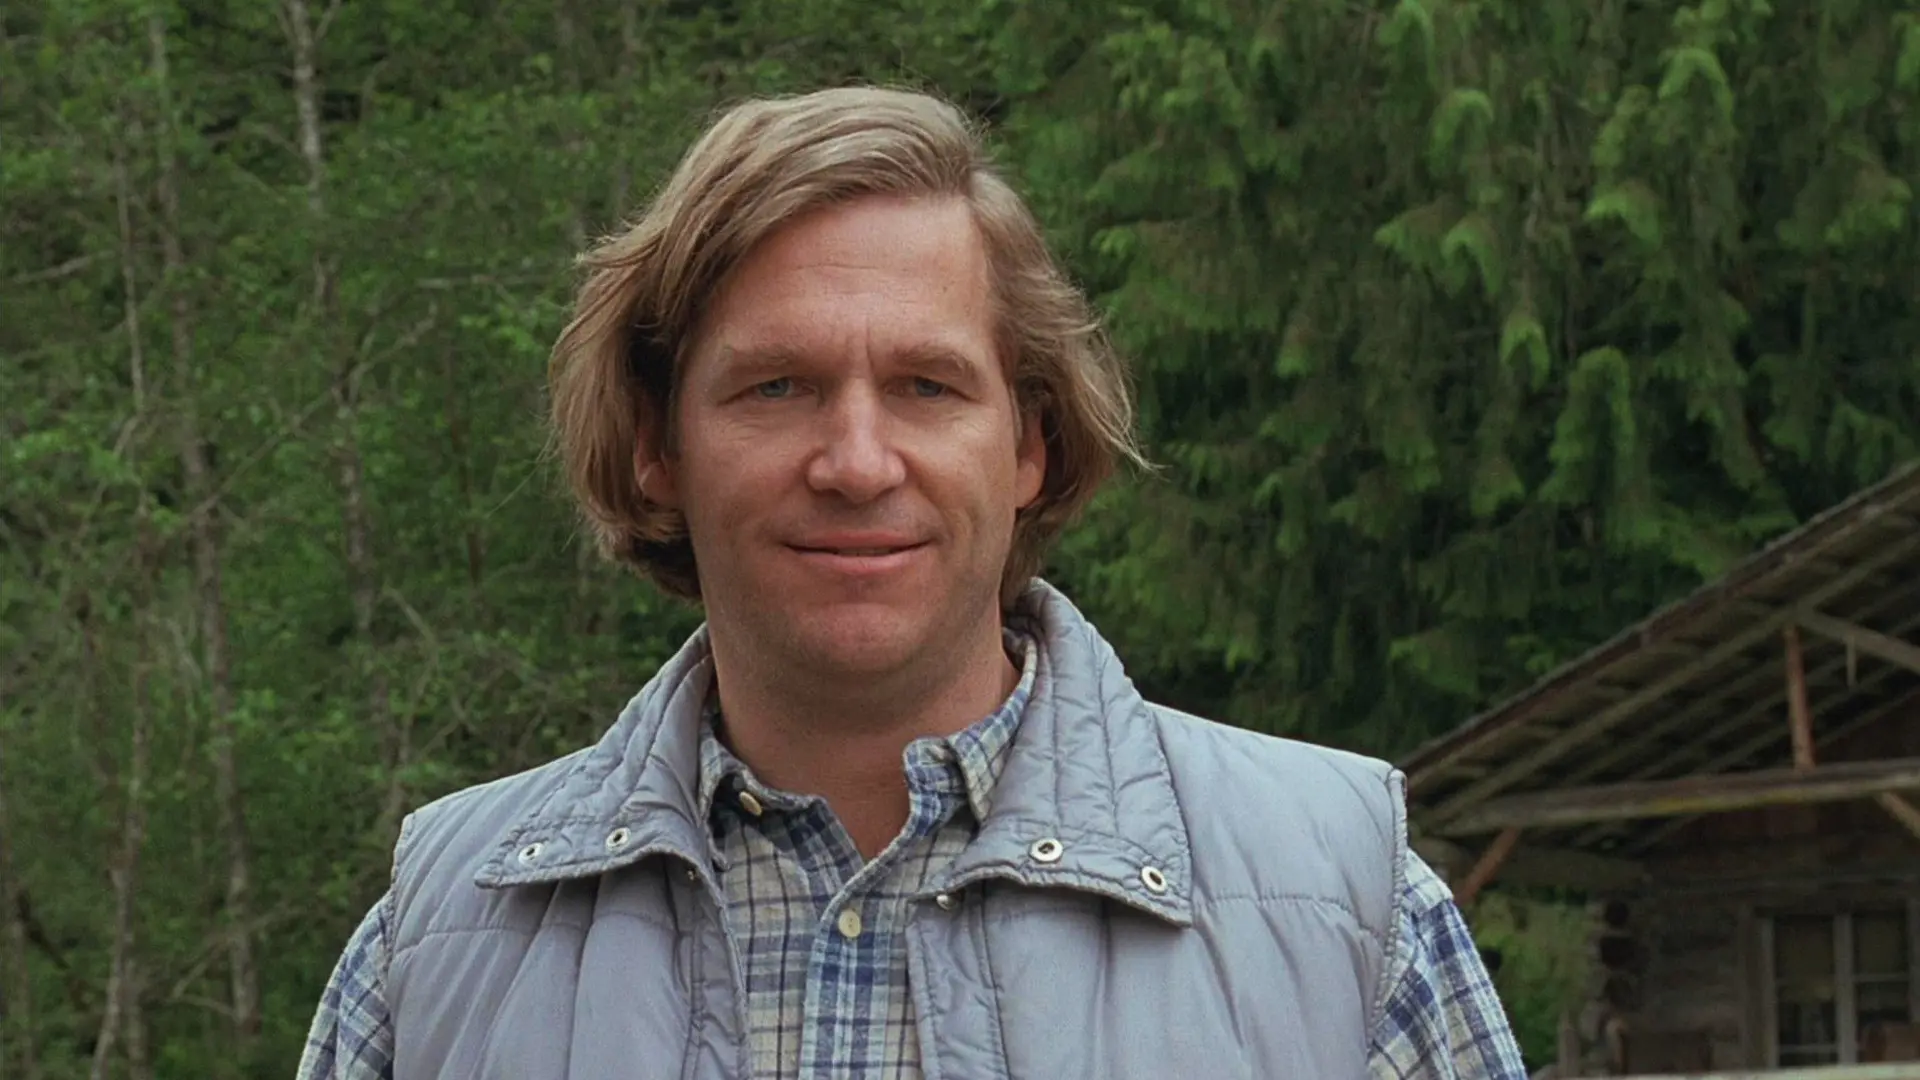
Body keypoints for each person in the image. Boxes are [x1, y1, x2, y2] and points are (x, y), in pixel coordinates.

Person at [298, 85, 1527, 1080]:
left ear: (1030, 443)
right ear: (657, 445)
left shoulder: (1342, 911)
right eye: (776, 386)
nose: (856, 462)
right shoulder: (438, 944)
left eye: (927, 388)